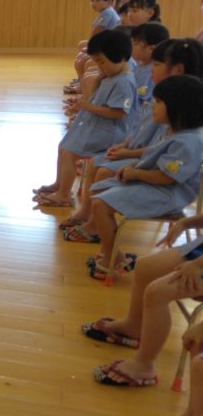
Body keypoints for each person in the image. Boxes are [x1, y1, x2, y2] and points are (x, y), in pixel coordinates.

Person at [61, 26, 173, 242]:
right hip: (136, 147)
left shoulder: (169, 103)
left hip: (150, 162)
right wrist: (125, 147)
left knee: (101, 169)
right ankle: (87, 214)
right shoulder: (148, 89)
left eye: (157, 65)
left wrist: (128, 152)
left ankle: (95, 224)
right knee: (96, 163)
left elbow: (159, 145)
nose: (151, 70)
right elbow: (141, 130)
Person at [86, 75, 203, 281]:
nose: (152, 106)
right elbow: (153, 156)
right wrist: (133, 167)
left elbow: (167, 178)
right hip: (154, 185)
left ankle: (114, 259)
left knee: (99, 205)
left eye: (158, 102)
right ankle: (111, 250)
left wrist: (135, 173)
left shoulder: (188, 142)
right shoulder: (174, 130)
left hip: (167, 194)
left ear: (179, 108)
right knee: (97, 190)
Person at [34, 29, 136, 207]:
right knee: (63, 146)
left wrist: (88, 107)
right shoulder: (111, 76)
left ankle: (64, 195)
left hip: (108, 134)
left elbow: (119, 112)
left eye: (101, 62)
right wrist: (96, 84)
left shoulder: (123, 81)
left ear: (119, 57)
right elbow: (97, 99)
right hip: (95, 126)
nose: (100, 67)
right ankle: (59, 184)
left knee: (69, 152)